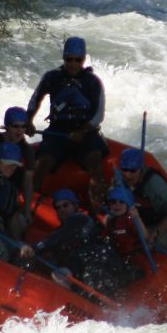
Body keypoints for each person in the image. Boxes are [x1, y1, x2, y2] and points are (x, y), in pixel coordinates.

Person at [26, 36, 108, 206]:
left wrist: (82, 132)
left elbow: (98, 115)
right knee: (41, 165)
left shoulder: (93, 82)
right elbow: (36, 99)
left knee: (96, 167)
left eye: (77, 60)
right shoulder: (51, 77)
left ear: (83, 60)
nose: (73, 64)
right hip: (57, 131)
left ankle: (100, 210)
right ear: (63, 58)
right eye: (69, 59)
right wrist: (29, 120)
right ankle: (30, 207)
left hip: (86, 132)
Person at [19, 188, 137, 294]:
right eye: (58, 207)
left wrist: (34, 248)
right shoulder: (65, 229)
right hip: (87, 267)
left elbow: (55, 238)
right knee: (59, 270)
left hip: (100, 265)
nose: (62, 210)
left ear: (75, 206)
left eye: (66, 205)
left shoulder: (80, 220)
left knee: (63, 272)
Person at [116, 147, 167, 251]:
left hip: (160, 224)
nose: (127, 174)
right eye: (124, 169)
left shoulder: (154, 185)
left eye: (133, 170)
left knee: (145, 245)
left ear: (140, 168)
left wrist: (155, 233)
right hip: (140, 218)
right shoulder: (119, 177)